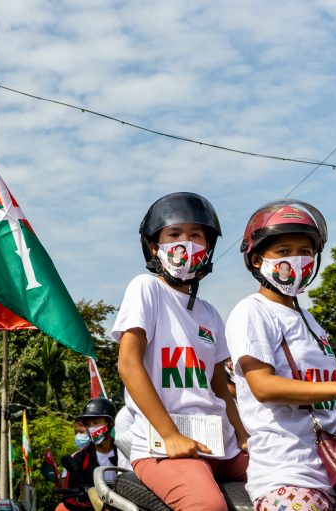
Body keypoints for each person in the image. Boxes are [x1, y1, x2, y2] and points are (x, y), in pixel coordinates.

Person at [226, 200, 336, 511]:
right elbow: (264, 387)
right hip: (288, 475)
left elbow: (309, 388)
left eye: (305, 251)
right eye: (283, 251)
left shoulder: (310, 320)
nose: (297, 259)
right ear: (256, 259)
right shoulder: (252, 311)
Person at [113, 192, 249, 511]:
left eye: (195, 235)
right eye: (174, 234)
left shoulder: (211, 313)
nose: (185, 242)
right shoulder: (146, 288)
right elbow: (129, 365)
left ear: (208, 247)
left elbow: (220, 388)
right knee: (207, 506)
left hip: (222, 444)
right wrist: (171, 435)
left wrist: (243, 435)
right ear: (154, 246)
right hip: (162, 446)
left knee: (294, 480)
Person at [57, 398, 120, 511]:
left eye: (96, 423)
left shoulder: (126, 452)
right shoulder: (77, 459)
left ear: (110, 423)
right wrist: (92, 502)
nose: (92, 428)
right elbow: (69, 499)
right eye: (88, 424)